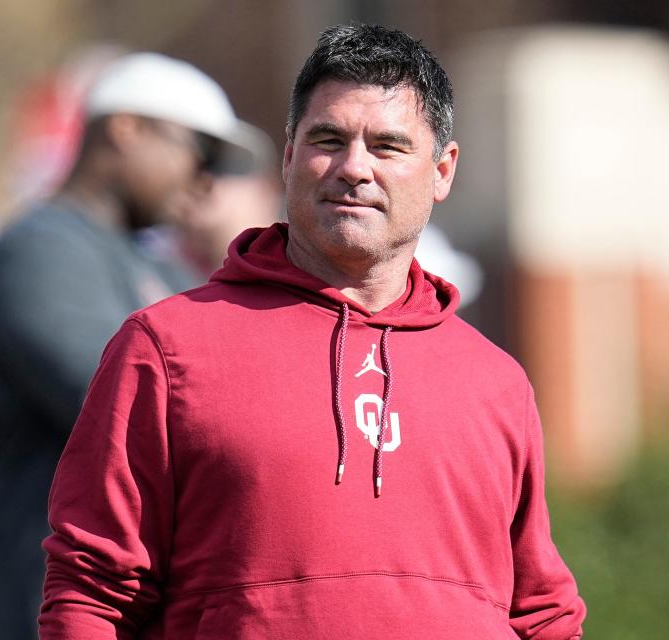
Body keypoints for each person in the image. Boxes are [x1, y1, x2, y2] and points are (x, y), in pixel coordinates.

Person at [40, 25, 586, 639]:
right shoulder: (166, 348)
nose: (354, 168)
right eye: (328, 139)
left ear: (442, 171)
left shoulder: (496, 382)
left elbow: (542, 614)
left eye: (388, 146)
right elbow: (92, 593)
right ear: (288, 158)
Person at [0, 52, 268, 640]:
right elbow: (139, 411)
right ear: (125, 129)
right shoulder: (41, 248)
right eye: (196, 152)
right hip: (48, 602)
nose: (204, 180)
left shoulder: (157, 262)